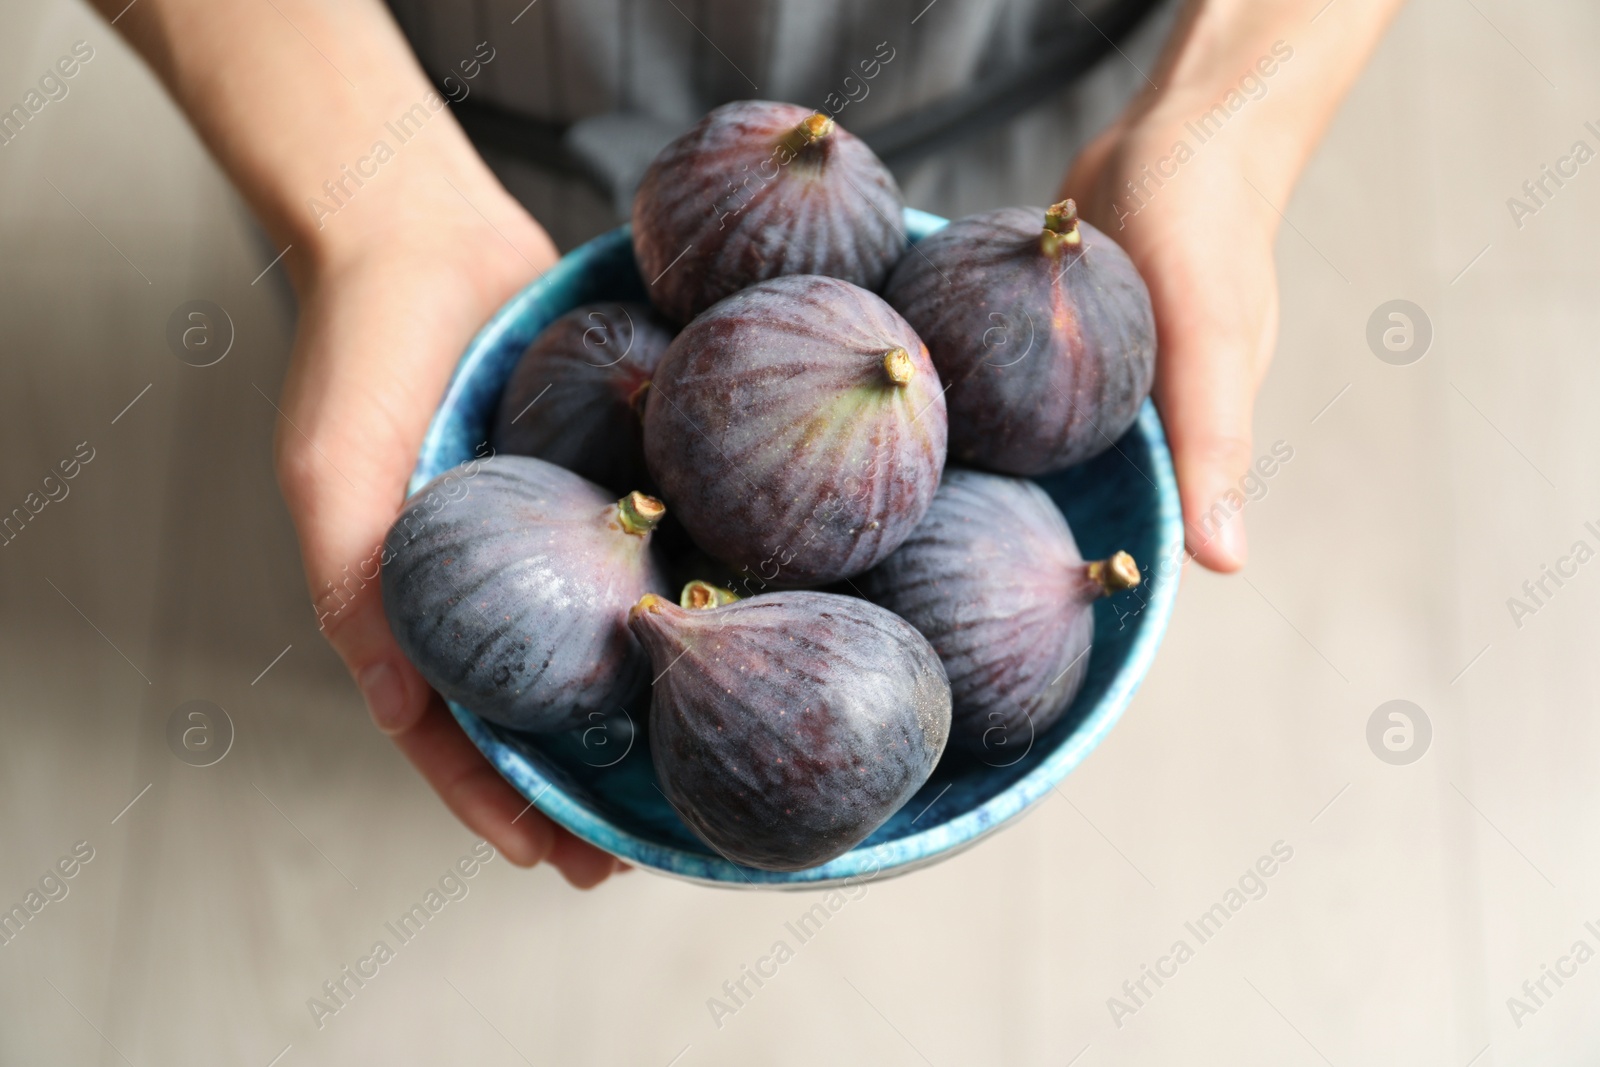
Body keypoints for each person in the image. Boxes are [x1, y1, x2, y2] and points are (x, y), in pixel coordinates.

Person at [91, 0, 1402, 888]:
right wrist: (369, 204)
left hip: (1017, 117)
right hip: (424, 117)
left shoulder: (921, 333)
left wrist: (1235, 110)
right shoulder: (708, 382)